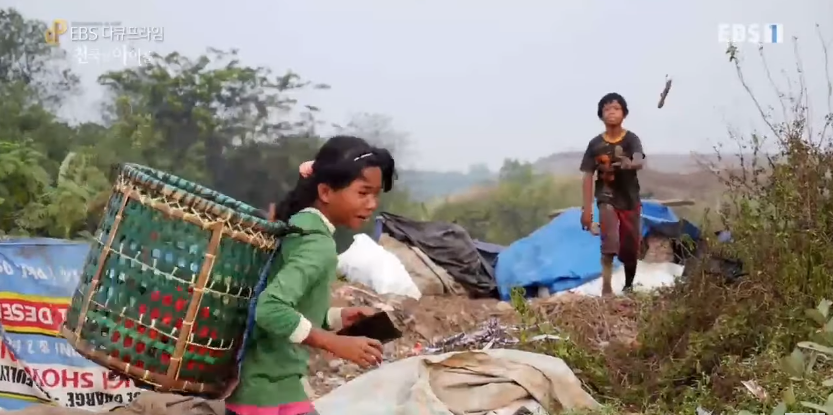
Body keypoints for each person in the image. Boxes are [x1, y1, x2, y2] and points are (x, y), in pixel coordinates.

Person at [226, 135, 397, 415]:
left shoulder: (298, 228)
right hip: (267, 394)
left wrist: (336, 318)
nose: (371, 204)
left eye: (376, 194)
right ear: (326, 192)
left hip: (268, 388)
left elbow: (290, 306)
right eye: (363, 193)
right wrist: (335, 343)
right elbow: (270, 308)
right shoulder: (317, 244)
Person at [579, 93, 646, 296]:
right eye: (607, 109)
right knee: (609, 240)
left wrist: (630, 163)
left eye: (616, 108)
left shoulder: (631, 139)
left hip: (629, 198)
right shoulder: (595, 145)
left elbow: (639, 159)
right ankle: (606, 289)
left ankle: (628, 285)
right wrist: (587, 212)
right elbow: (588, 176)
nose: (611, 113)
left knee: (629, 247)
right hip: (606, 196)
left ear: (624, 113)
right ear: (601, 115)